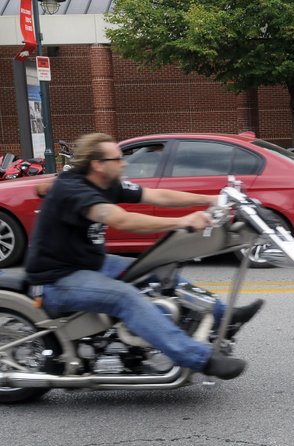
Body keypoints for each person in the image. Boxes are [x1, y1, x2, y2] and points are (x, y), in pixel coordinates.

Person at [25, 133, 262, 380]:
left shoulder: (107, 183)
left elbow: (157, 195)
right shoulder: (73, 189)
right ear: (97, 164)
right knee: (124, 297)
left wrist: (212, 199)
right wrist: (181, 221)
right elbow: (119, 219)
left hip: (90, 264)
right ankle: (199, 358)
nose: (124, 163)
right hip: (57, 279)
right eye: (117, 159)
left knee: (157, 270)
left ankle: (224, 317)